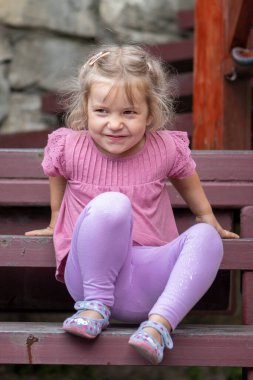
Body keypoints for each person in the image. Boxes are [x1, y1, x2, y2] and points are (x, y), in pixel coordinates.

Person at [25, 44, 239, 365]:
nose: (114, 124)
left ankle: (158, 327)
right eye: (102, 111)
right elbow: (56, 173)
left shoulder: (164, 148)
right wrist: (56, 219)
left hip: (149, 281)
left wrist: (206, 215)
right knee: (112, 204)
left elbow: (186, 175)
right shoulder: (70, 145)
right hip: (87, 278)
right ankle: (95, 307)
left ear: (150, 113)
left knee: (207, 236)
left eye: (129, 112)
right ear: (85, 108)